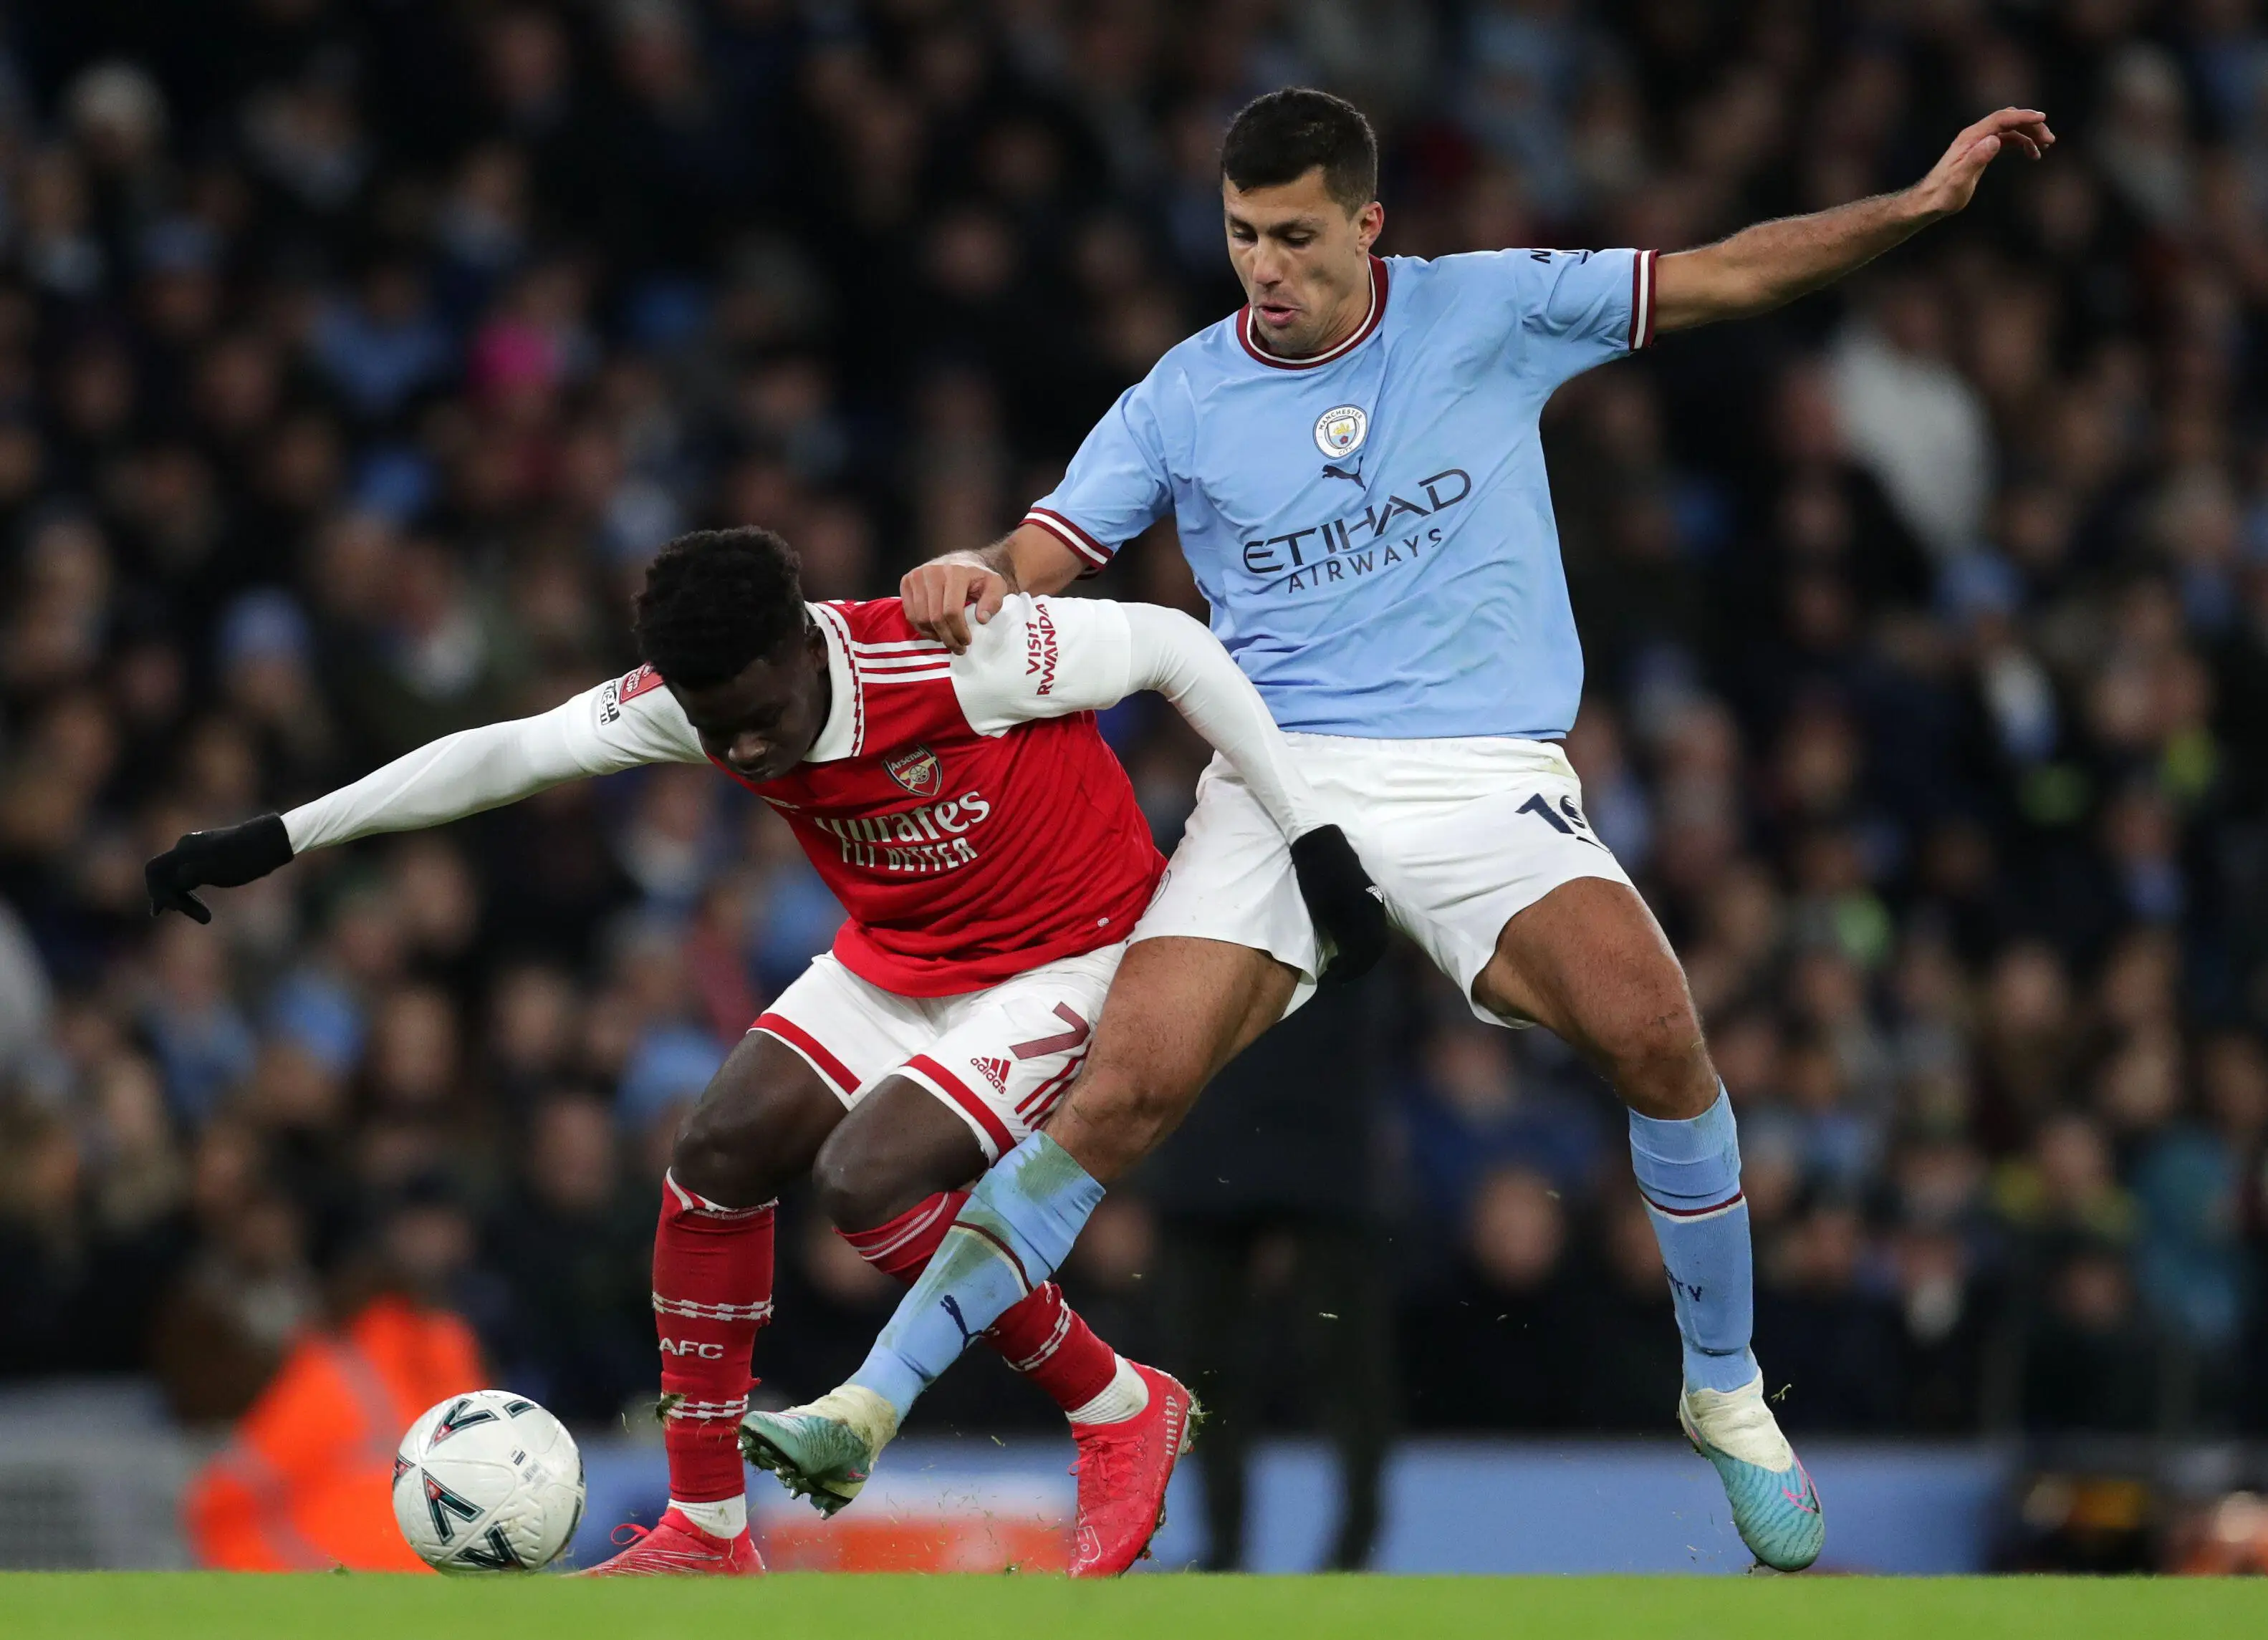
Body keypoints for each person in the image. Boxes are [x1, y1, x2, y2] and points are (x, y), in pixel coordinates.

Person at [742, 88, 2055, 1574]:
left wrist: (1911, 207)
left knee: (1655, 1034)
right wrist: (966, 572)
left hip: (1478, 771)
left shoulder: (1486, 310)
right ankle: (868, 1397)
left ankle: (1725, 1388)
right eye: (1241, 237)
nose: (1265, 269)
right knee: (1121, 1092)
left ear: (1368, 225)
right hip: (1275, 780)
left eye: (1295, 236)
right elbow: (1038, 552)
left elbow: (1725, 271)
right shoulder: (1180, 394)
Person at [145, 526, 1385, 1578]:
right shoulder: (695, 701)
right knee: (716, 1150)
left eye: (756, 721)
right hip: (896, 960)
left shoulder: (959, 652)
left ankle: (1114, 1402)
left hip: (1073, 954)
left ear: (804, 642)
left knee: (863, 1179)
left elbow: (1174, 646)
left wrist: (1309, 832)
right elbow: (504, 753)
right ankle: (706, 1525)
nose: (739, 752)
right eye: (713, 731)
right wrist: (279, 836)